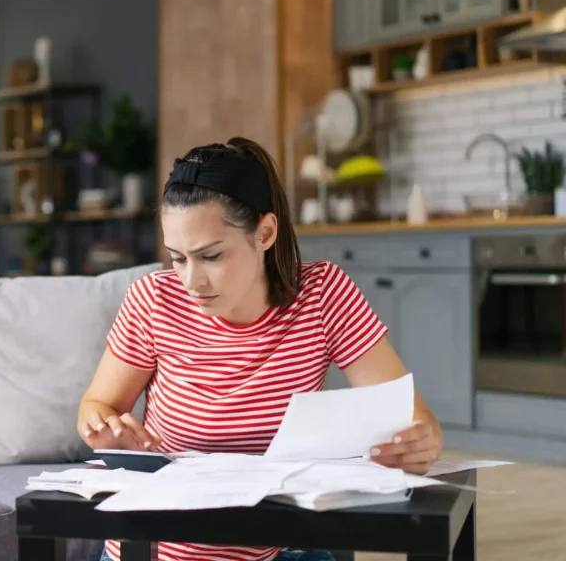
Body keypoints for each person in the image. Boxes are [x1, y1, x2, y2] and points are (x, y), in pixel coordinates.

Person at [78, 137, 443, 561]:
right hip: (164, 549)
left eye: (210, 256)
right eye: (177, 258)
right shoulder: (153, 300)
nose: (191, 281)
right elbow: (98, 404)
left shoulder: (323, 294)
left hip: (283, 546)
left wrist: (420, 442)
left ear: (265, 233)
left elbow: (411, 417)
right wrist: (106, 429)